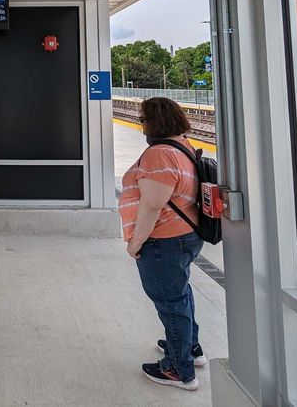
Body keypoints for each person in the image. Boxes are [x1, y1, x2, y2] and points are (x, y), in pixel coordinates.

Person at [119, 97, 205, 391]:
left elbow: (152, 206)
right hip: (185, 236)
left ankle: (178, 370)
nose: (141, 124)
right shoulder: (183, 146)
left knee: (170, 302)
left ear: (155, 122)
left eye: (143, 119)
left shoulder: (159, 154)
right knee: (180, 295)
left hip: (164, 240)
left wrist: (136, 242)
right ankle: (189, 348)